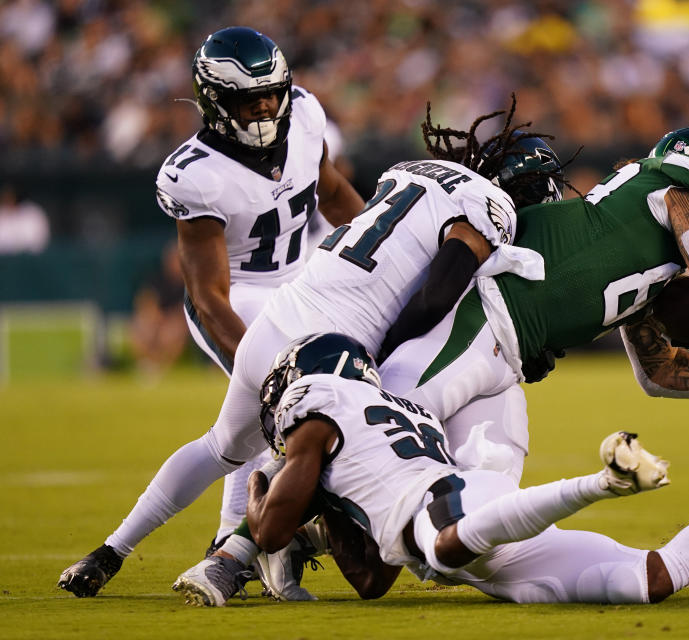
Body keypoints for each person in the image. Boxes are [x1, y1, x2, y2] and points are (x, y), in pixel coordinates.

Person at [57, 99, 568, 600]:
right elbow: (435, 297)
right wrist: (382, 355)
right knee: (328, 456)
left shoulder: (417, 171)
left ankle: (109, 551)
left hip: (280, 314)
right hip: (327, 349)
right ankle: (230, 561)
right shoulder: (490, 208)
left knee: (220, 446)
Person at [175, 333, 689, 606]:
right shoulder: (369, 413)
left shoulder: (314, 406)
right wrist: (326, 515)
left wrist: (267, 489)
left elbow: (267, 531)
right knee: (651, 580)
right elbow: (372, 581)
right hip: (471, 515)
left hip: (450, 509)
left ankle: (602, 483)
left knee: (446, 545)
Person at [377, 126, 689, 484]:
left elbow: (658, 373)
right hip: (483, 318)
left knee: (482, 500)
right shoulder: (674, 193)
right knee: (380, 433)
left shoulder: (644, 247)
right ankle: (308, 533)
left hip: (506, 357)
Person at [152, 26, 365, 560]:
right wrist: (262, 375)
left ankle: (248, 539)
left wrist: (383, 254)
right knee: (256, 415)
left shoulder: (307, 117)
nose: (268, 106)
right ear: (217, 102)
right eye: (251, 99)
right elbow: (210, 296)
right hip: (239, 295)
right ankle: (231, 545)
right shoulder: (195, 175)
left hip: (303, 286)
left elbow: (335, 194)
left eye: (273, 93)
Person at [129, 243, 190, 378]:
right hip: (156, 320)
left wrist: (168, 320)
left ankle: (162, 367)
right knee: (141, 328)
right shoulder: (157, 279)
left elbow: (184, 312)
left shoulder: (188, 284)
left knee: (172, 331)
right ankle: (147, 364)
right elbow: (145, 300)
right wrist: (155, 317)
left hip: (175, 323)